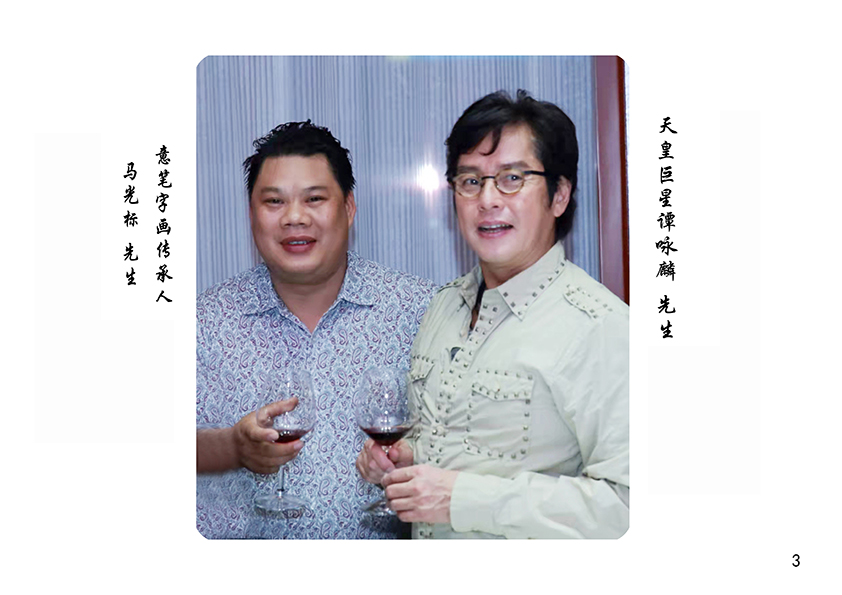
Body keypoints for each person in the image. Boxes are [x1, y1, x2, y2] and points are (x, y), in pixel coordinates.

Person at [356, 90, 629, 539]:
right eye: (470, 181)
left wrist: (462, 499)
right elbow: (460, 445)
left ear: (559, 195)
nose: (487, 199)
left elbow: (627, 506)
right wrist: (407, 457)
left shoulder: (600, 326)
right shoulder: (445, 306)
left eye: (512, 178)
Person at [196, 121, 436, 539]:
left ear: (349, 208)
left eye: (314, 199)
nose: (294, 218)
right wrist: (233, 447)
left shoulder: (419, 311)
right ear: (251, 213)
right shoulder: (204, 323)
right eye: (274, 201)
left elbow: (467, 446)